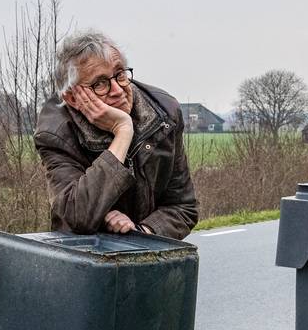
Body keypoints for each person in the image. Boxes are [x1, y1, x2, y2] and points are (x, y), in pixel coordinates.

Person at [34, 30, 197, 239]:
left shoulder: (165, 114)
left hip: (151, 253)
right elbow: (76, 215)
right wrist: (123, 131)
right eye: (100, 84)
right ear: (73, 98)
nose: (118, 90)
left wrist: (140, 233)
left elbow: (184, 207)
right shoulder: (56, 133)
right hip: (86, 260)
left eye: (120, 74)